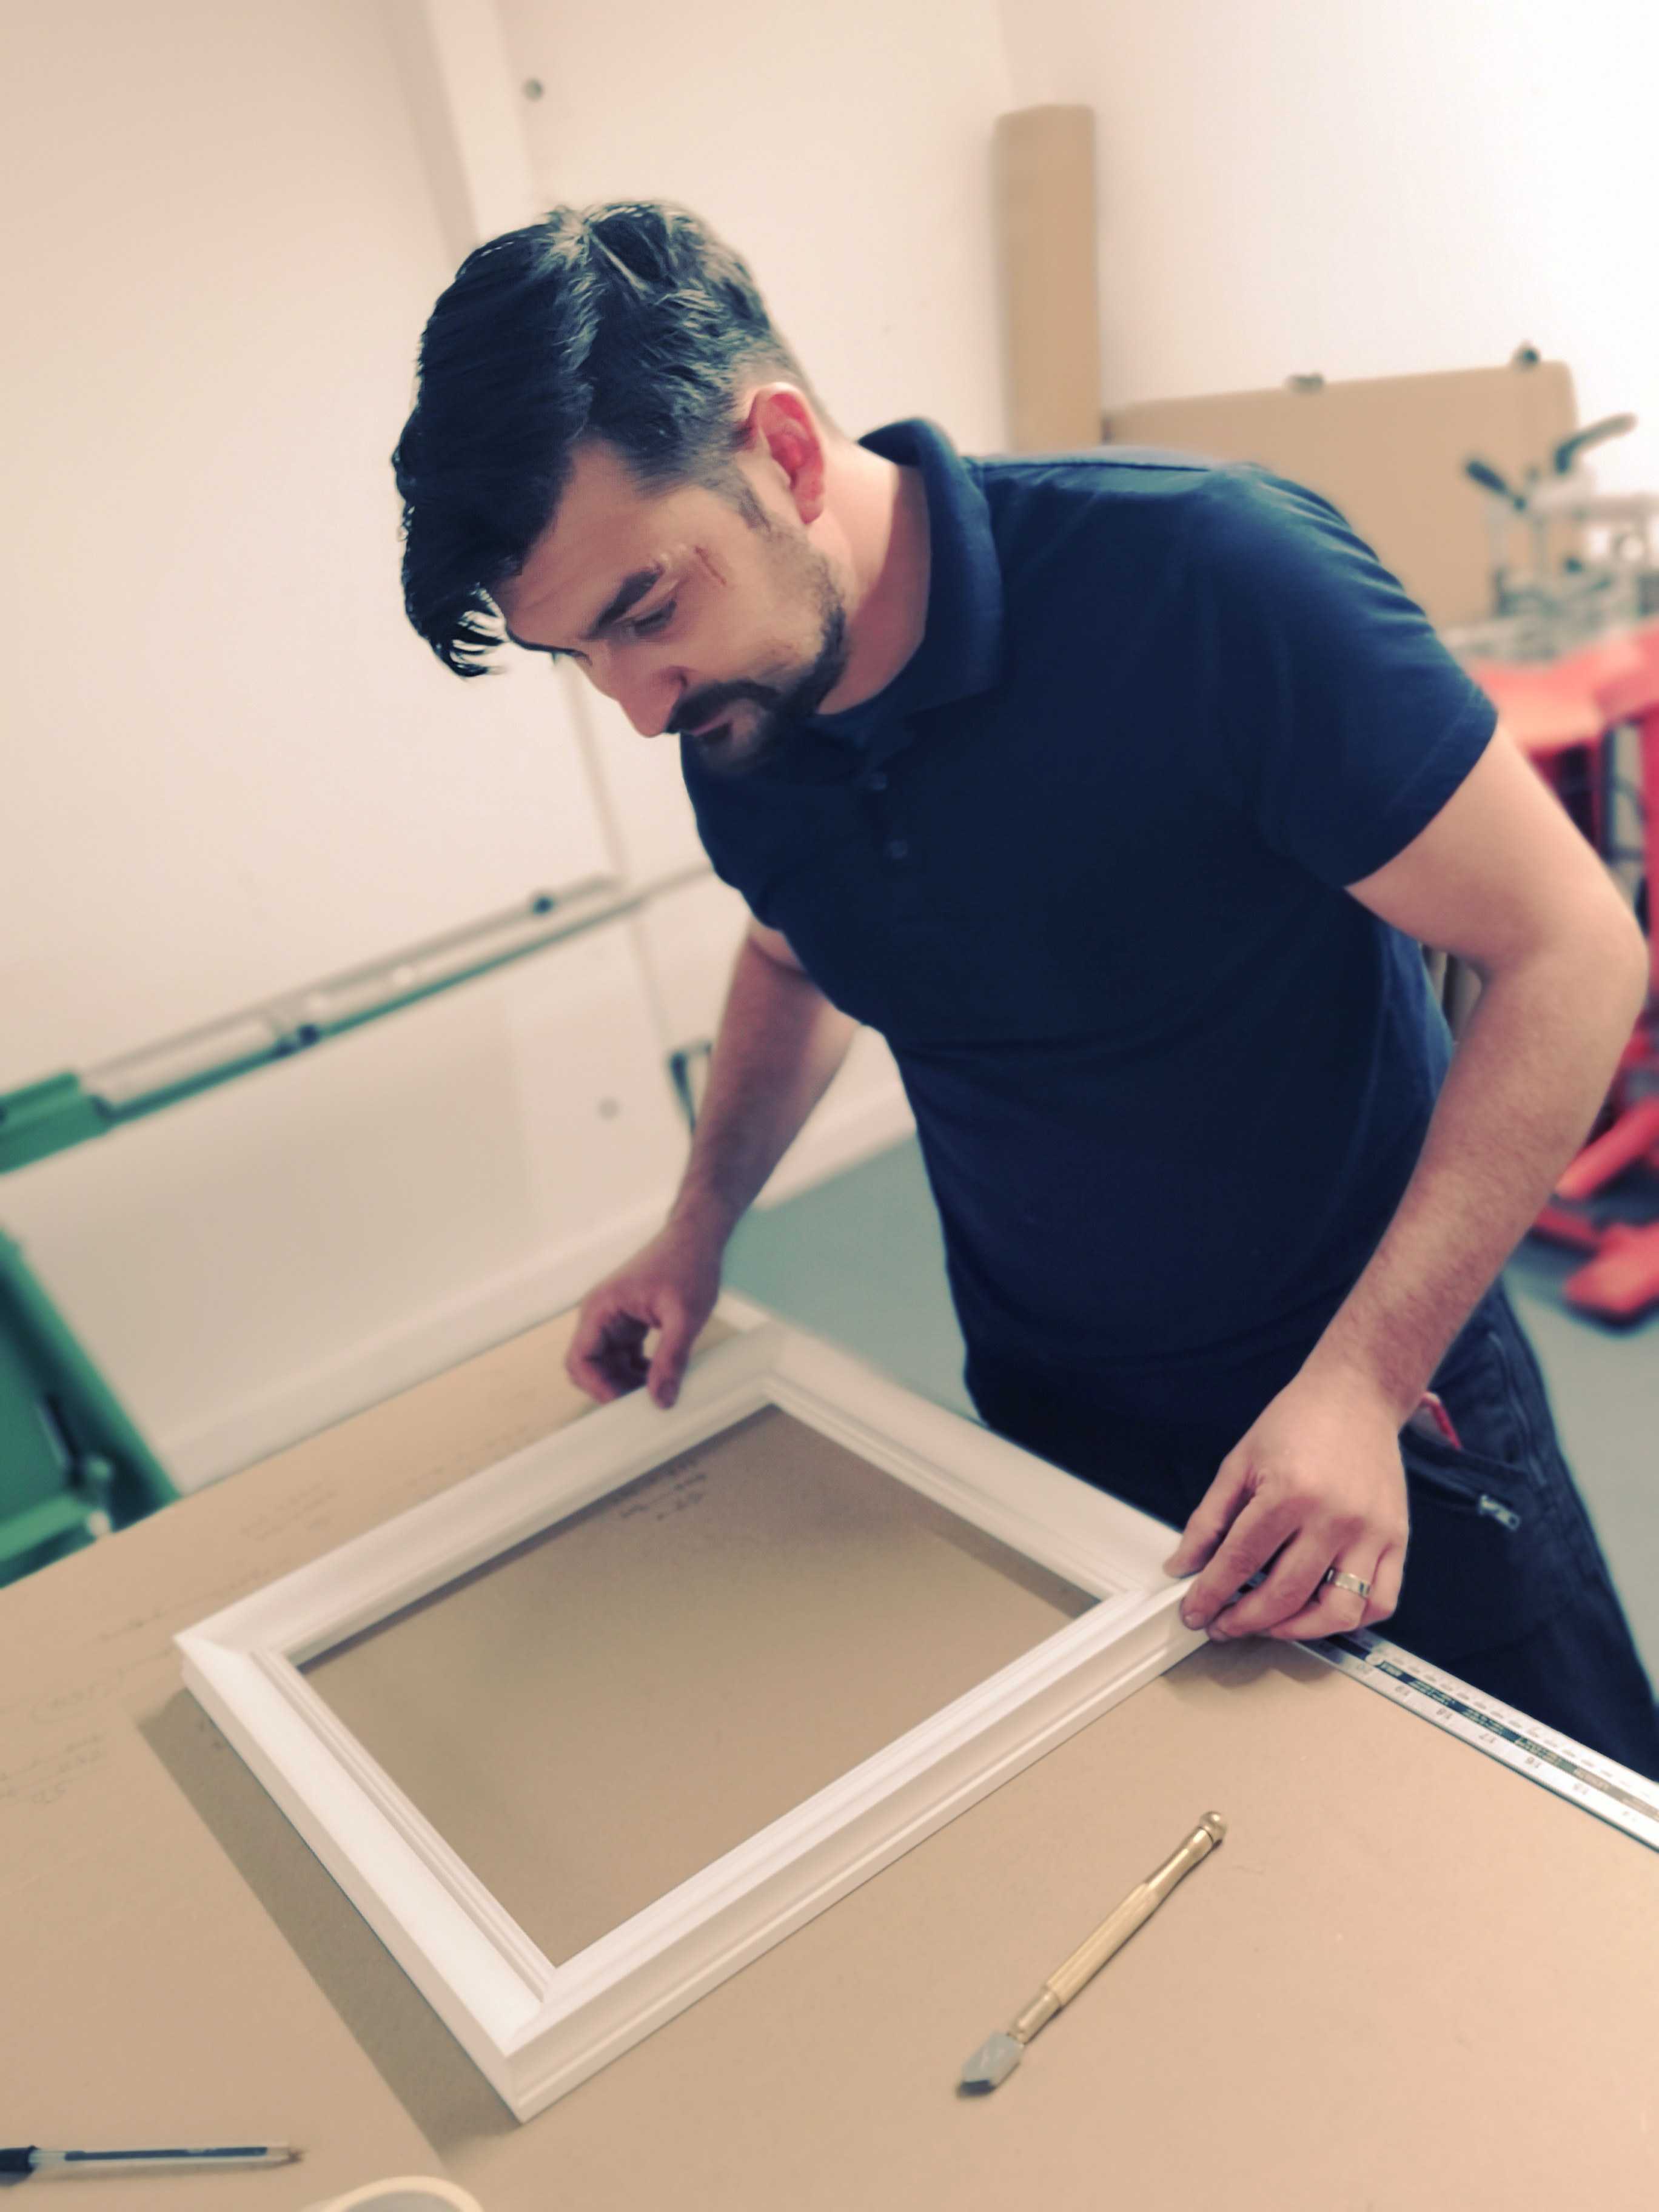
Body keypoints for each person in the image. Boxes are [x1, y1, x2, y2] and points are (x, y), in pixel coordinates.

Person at [393, 201, 1659, 1775]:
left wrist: (1362, 1382)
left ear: (783, 453)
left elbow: (1575, 948)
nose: (638, 708)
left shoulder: (1210, 577)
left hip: (1375, 1407)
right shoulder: (739, 709)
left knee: (1577, 1841)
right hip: (1051, 1420)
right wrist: (698, 1223)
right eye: (577, 658)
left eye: (644, 613)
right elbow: (797, 949)